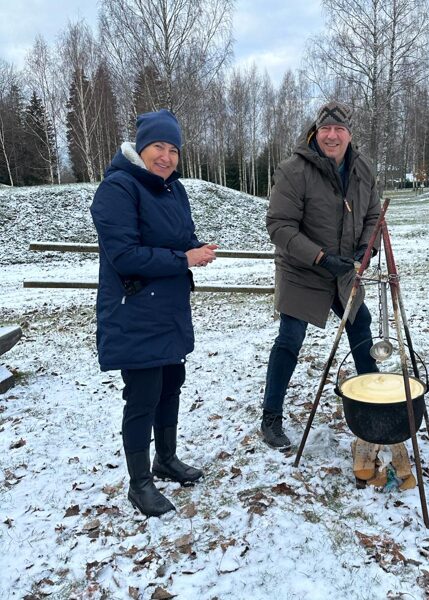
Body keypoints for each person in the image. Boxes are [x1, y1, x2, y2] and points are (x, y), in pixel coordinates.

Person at [90, 109, 217, 517]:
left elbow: (183, 237)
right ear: (141, 148)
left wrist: (198, 249)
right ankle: (139, 483)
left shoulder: (173, 190)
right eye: (158, 147)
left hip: (170, 309)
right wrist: (184, 258)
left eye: (173, 149)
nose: (166, 156)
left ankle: (166, 458)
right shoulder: (118, 189)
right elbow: (125, 256)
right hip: (135, 312)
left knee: (170, 385)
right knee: (142, 397)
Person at [262, 100, 381, 450]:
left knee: (361, 326)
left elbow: (374, 214)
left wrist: (366, 250)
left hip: (344, 270)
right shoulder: (293, 170)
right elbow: (279, 226)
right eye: (326, 129)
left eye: (339, 129)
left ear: (349, 134)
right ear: (316, 131)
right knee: (290, 338)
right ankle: (271, 417)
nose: (332, 135)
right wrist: (319, 257)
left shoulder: (363, 169)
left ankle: (374, 401)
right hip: (302, 269)